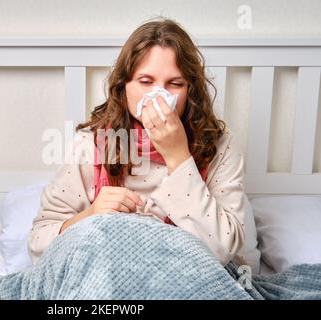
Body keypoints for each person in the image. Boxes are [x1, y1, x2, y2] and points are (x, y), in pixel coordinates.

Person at [28, 18, 246, 265]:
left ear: (190, 90)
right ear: (124, 86)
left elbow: (224, 249)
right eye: (145, 82)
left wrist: (178, 157)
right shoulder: (91, 144)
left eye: (175, 84)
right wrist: (90, 215)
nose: (158, 94)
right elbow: (38, 245)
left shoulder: (221, 146)